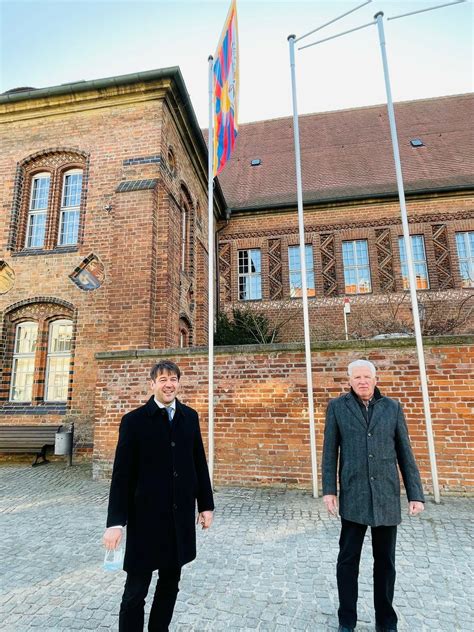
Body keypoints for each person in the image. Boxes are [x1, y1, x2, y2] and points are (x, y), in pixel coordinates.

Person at [103, 360, 214, 632]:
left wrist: (206, 505)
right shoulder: (134, 422)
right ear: (152, 384)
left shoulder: (190, 417)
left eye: (173, 379)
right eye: (163, 379)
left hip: (179, 518)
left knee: (169, 584)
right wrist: (116, 523)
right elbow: (121, 476)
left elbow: (198, 461)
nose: (169, 384)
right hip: (146, 520)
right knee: (135, 592)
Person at [322, 359, 425, 632]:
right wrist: (329, 491)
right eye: (357, 377)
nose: (362, 381)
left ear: (375, 379)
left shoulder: (392, 408)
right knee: (347, 561)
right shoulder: (337, 408)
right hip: (354, 495)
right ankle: (347, 619)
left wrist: (416, 494)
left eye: (367, 376)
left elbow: (405, 452)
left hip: (386, 497)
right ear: (350, 381)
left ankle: (386, 621)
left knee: (386, 563)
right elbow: (329, 452)